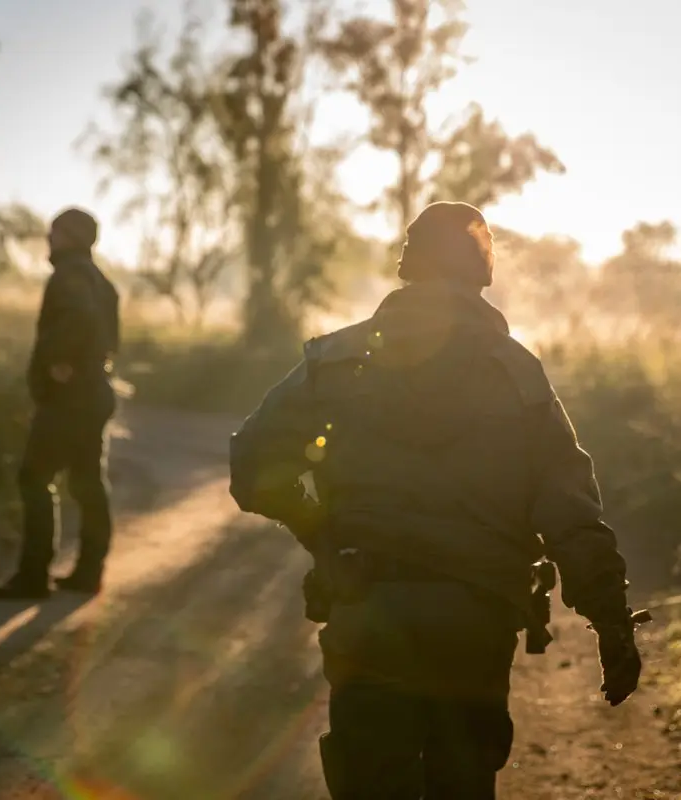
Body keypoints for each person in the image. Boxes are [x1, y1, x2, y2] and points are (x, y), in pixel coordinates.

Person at [228, 201, 644, 799]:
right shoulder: (520, 375)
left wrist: (323, 532)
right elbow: (571, 513)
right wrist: (612, 624)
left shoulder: (337, 361)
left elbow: (252, 466)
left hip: (367, 611)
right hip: (476, 623)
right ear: (483, 271)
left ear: (407, 264)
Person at [0, 207, 120, 601]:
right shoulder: (103, 281)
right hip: (95, 392)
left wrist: (61, 362)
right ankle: (88, 573)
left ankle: (32, 577)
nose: (48, 237)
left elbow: (80, 319)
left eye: (56, 231)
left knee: (34, 477)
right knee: (87, 481)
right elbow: (109, 339)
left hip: (71, 398)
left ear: (73, 236)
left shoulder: (71, 274)